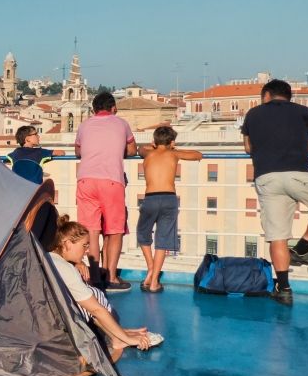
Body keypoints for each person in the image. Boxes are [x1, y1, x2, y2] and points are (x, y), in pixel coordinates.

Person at [241, 79, 308, 305]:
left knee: (277, 235)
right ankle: (303, 247)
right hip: (299, 173)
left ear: (267, 95)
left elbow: (248, 148)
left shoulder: (253, 114)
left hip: (267, 178)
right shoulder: (305, 112)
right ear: (288, 96)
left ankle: (284, 289)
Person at [48, 215, 163, 356]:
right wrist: (127, 339)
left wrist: (79, 263)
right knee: (94, 297)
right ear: (67, 243)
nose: (87, 251)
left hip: (48, 318)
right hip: (60, 325)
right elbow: (95, 309)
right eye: (84, 245)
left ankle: (117, 333)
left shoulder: (49, 258)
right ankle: (117, 338)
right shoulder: (66, 269)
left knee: (88, 297)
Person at [75, 92, 137, 291]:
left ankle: (94, 278)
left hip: (85, 181)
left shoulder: (84, 125)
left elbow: (78, 151)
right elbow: (132, 150)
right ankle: (111, 277)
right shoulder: (121, 124)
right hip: (111, 181)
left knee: (91, 232)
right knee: (115, 231)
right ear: (114, 108)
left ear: (93, 110)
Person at [137, 126, 202, 293]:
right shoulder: (174, 154)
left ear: (154, 141)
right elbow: (197, 155)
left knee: (143, 234)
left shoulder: (148, 153)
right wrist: (175, 149)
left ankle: (150, 269)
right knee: (163, 240)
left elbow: (139, 148)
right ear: (172, 142)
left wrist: (152, 146)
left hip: (150, 198)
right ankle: (154, 282)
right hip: (169, 198)